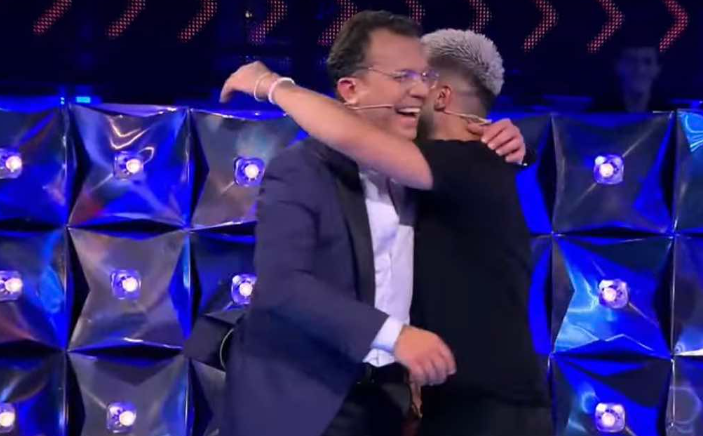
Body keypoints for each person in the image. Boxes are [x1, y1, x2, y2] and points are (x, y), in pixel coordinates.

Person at [221, 26, 551, 436]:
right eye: (403, 77)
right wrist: (395, 337)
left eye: (425, 78)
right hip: (311, 406)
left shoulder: (445, 166)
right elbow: (281, 285)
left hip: (469, 406)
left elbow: (356, 135)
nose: (419, 90)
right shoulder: (304, 169)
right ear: (351, 89)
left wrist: (273, 86)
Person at [590, 36, 673, 113]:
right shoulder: (595, 114)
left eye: (647, 62)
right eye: (631, 61)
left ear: (658, 68)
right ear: (617, 66)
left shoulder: (672, 116)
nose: (640, 69)